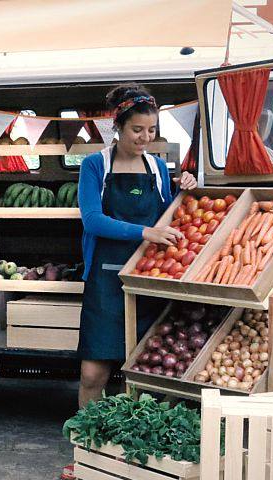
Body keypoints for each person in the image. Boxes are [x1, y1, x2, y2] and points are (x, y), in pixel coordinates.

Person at [76, 84, 197, 408]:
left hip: (148, 279)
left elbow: (171, 221)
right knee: (92, 373)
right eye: (137, 129)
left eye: (152, 130)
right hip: (106, 281)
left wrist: (187, 189)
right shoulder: (94, 166)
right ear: (118, 127)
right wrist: (145, 232)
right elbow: (92, 220)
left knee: (145, 373)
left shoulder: (157, 168)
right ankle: (86, 446)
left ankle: (124, 452)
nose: (145, 137)